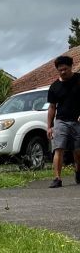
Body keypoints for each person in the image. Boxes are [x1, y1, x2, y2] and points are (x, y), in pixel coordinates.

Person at [46, 54, 80, 187]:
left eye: (65, 69)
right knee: (58, 149)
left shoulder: (79, 80)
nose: (63, 72)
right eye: (60, 70)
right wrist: (49, 126)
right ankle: (57, 178)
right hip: (61, 121)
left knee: (78, 151)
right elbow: (52, 107)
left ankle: (78, 171)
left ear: (71, 67)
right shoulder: (54, 87)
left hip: (77, 121)